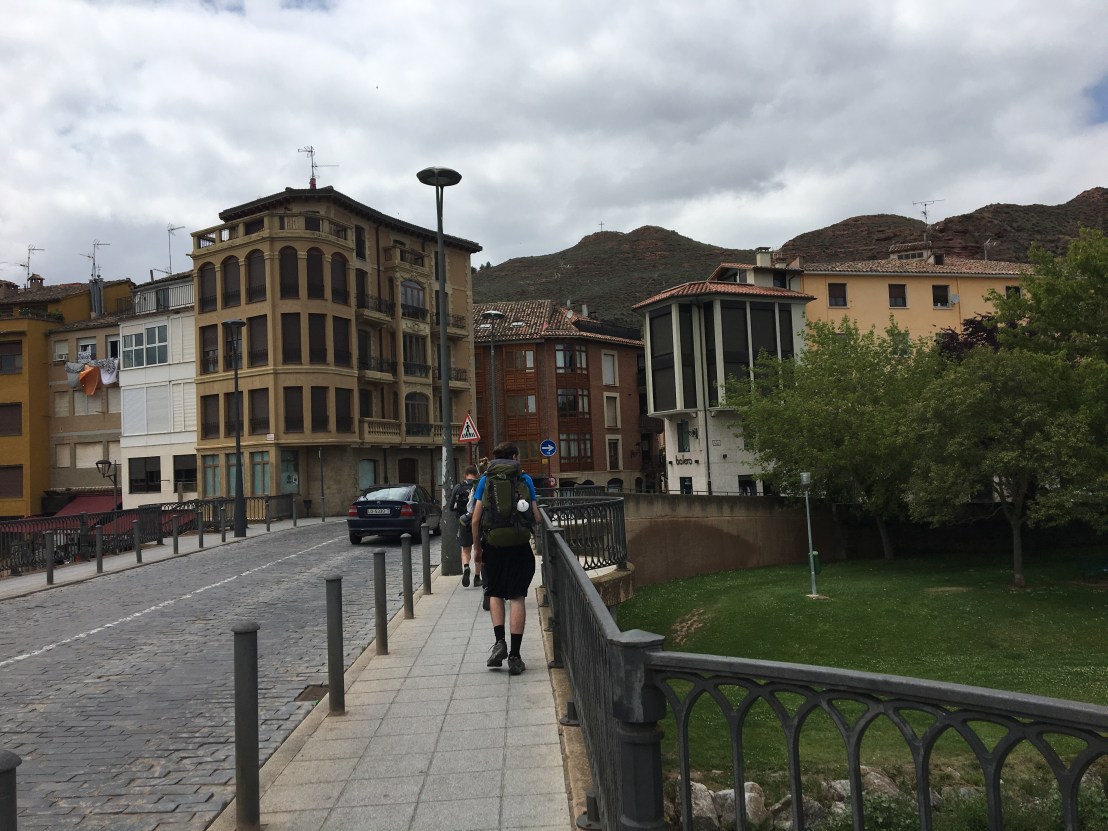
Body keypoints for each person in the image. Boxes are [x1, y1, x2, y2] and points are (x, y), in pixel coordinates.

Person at [471, 442, 541, 676]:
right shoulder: (525, 479)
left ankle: (499, 642)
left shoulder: (485, 480)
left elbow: (475, 520)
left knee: (495, 593)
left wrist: (477, 549)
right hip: (519, 546)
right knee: (517, 597)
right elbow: (536, 516)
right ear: (515, 457)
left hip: (493, 546)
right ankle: (515, 656)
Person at [449, 465, 482, 588]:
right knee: (478, 549)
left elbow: (451, 506)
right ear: (476, 475)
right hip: (478, 521)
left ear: (465, 475)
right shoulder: (479, 485)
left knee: (465, 549)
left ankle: (466, 566)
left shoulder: (458, 487)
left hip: (464, 521)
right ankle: (477, 577)